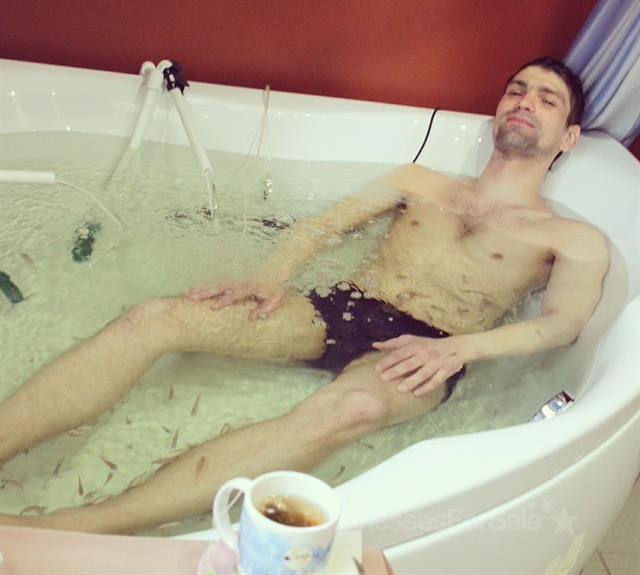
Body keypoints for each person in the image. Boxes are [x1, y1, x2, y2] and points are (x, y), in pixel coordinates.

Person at [0, 57, 609, 534]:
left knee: (351, 410)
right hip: (340, 307)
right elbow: (320, 227)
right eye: (516, 90)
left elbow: (561, 325)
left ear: (569, 136)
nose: (524, 102)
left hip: (432, 345)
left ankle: (83, 525)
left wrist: (460, 351)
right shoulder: (419, 180)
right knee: (154, 318)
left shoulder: (572, 238)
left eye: (546, 99)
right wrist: (270, 276)